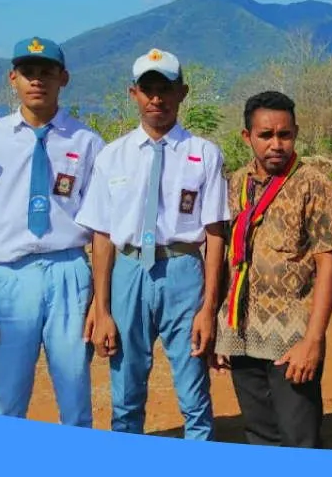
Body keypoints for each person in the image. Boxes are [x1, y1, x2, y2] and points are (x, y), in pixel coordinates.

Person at [77, 48, 229, 438]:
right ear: (134, 94)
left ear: (183, 92)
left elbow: (215, 236)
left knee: (194, 393)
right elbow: (102, 236)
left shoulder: (204, 154)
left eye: (166, 88)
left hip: (183, 271)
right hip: (128, 273)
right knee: (125, 395)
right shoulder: (113, 156)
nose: (156, 98)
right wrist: (102, 306)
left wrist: (208, 307)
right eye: (148, 89)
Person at [0, 37, 105, 427]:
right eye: (28, 73)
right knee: (8, 395)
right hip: (10, 275)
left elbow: (100, 228)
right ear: (13, 78)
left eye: (46, 72)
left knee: (75, 389)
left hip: (70, 273)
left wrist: (99, 301)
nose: (37, 81)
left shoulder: (87, 142)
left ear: (64, 78)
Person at [212, 90, 332, 448]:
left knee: (298, 434)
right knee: (259, 434)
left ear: (296, 133)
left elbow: (328, 263)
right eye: (265, 135)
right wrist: (223, 326)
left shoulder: (313, 184)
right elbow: (229, 258)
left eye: (284, 135)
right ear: (247, 137)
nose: (276, 144)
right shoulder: (236, 183)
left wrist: (313, 340)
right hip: (242, 332)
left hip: (292, 339)